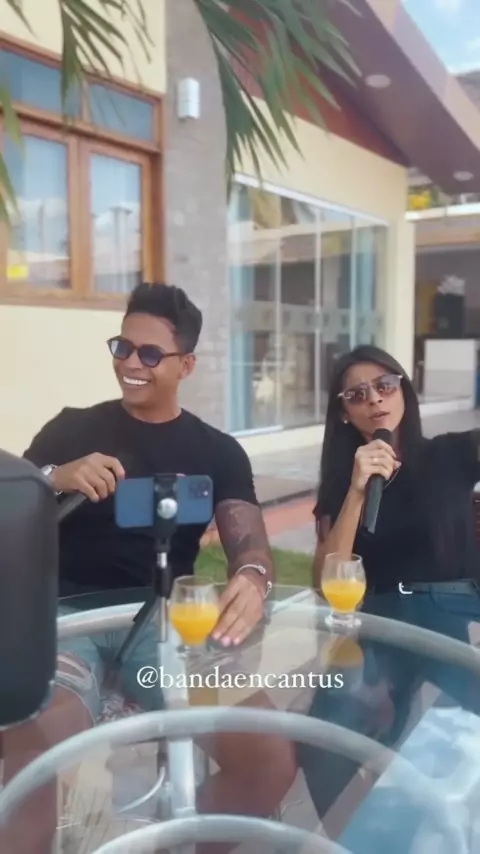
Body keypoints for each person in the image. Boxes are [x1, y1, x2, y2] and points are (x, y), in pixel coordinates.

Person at [3, 283, 296, 854]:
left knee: (269, 757)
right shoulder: (71, 428)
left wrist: (253, 579)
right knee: (32, 763)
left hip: (164, 626)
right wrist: (54, 476)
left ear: (186, 365)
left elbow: (251, 546)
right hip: (66, 621)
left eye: (150, 353)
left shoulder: (218, 451)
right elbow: (8, 507)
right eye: (122, 347)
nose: (130, 364)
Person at [297, 344, 480, 830]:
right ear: (344, 412)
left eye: (385, 385)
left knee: (453, 743)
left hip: (450, 614)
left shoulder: (450, 453)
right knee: (320, 743)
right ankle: (367, 837)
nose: (375, 399)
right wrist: (357, 490)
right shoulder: (344, 482)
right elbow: (328, 580)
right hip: (378, 624)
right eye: (357, 394)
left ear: (403, 389)